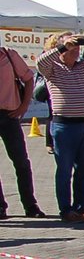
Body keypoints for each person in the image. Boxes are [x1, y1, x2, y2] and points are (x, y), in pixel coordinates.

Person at [36, 32, 84, 222]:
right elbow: (40, 62)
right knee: (64, 169)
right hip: (64, 126)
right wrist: (63, 47)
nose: (76, 51)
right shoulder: (52, 68)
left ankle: (81, 206)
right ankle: (66, 209)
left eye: (77, 48)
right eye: (72, 48)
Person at [0, 41, 43, 218]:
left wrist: (24, 106)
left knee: (21, 162)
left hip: (9, 115)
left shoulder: (9, 55)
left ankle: (30, 205)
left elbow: (28, 78)